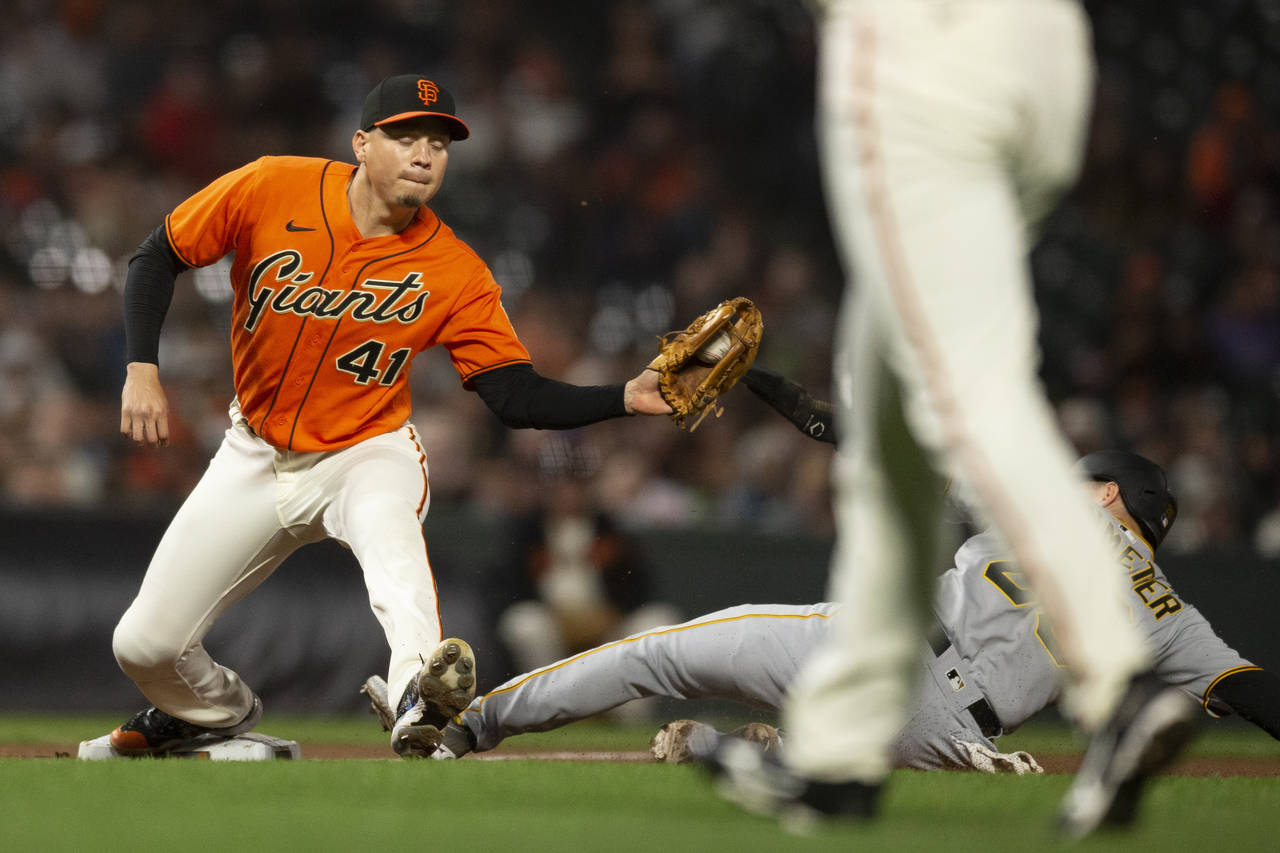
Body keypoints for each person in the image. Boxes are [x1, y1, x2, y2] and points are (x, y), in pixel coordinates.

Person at [707, 1, 1197, 838]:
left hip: (924, 51)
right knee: (891, 429)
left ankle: (1120, 686)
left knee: (964, 387)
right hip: (1039, 55)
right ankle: (838, 759)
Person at [108, 73, 672, 759]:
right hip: (253, 451)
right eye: (406, 136)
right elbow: (157, 253)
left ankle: (416, 695)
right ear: (361, 143)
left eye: (439, 141)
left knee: (391, 542)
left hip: (364, 452)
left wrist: (623, 396)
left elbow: (514, 396)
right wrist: (142, 367)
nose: (424, 153)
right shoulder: (271, 186)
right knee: (143, 644)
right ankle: (212, 709)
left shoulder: (454, 269)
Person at [356, 379, 1278, 776]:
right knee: (826, 768)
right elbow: (1248, 692)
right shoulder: (1165, 602)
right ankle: (744, 752)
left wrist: (782, 395)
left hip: (868, 643)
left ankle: (464, 729)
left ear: (1106, 490)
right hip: (951, 733)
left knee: (660, 655)